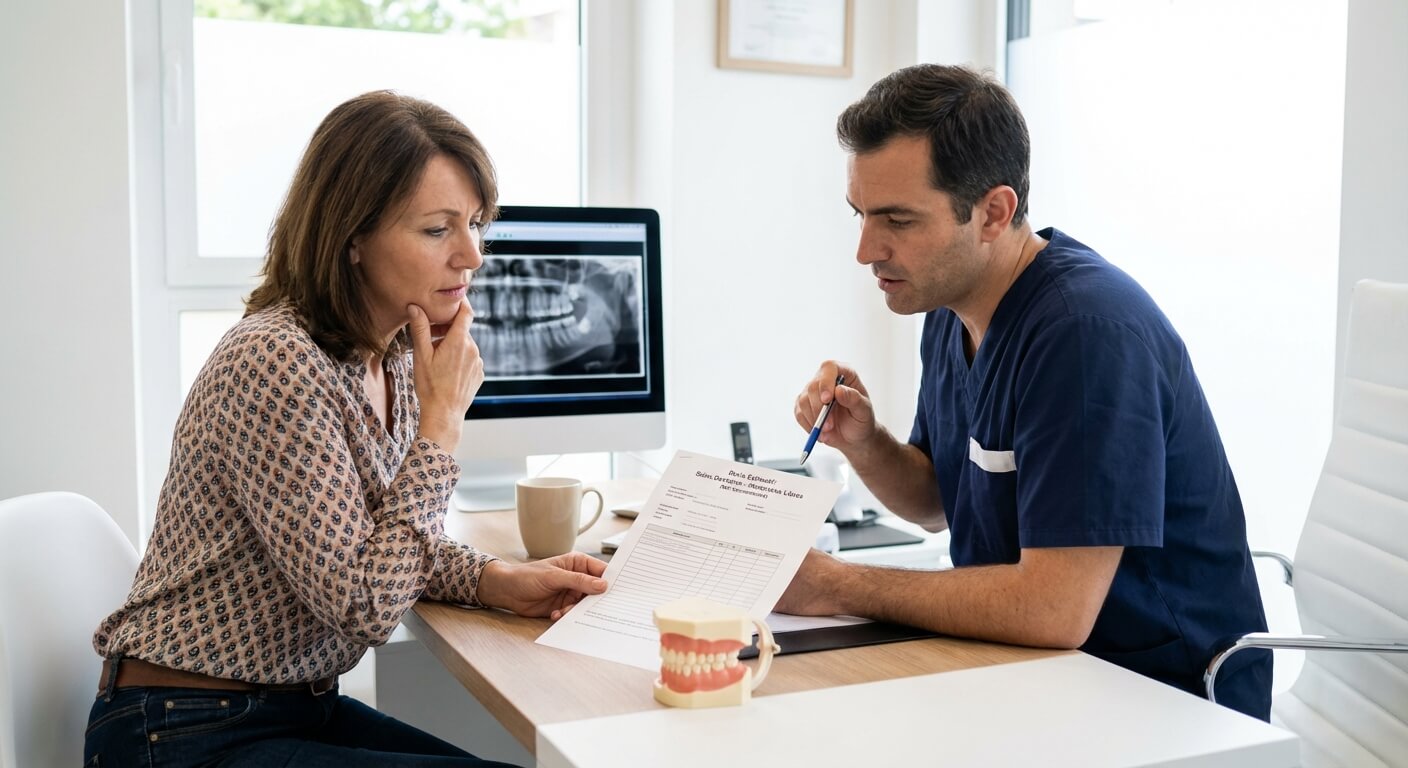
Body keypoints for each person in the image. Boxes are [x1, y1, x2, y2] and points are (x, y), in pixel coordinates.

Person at [84, 91, 607, 767]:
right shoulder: (275, 360)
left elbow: (379, 540)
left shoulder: (390, 354)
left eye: (476, 223)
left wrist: (497, 578)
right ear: (352, 238)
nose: (472, 256)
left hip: (290, 705)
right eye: (437, 229)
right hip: (180, 729)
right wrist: (441, 428)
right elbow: (366, 604)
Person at [777, 64, 1272, 720]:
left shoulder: (1084, 333)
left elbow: (1053, 609)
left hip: (1159, 704)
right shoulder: (948, 305)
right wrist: (865, 444)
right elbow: (936, 502)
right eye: (860, 215)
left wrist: (837, 587)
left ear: (993, 213)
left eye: (896, 219)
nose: (867, 250)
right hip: (1032, 675)